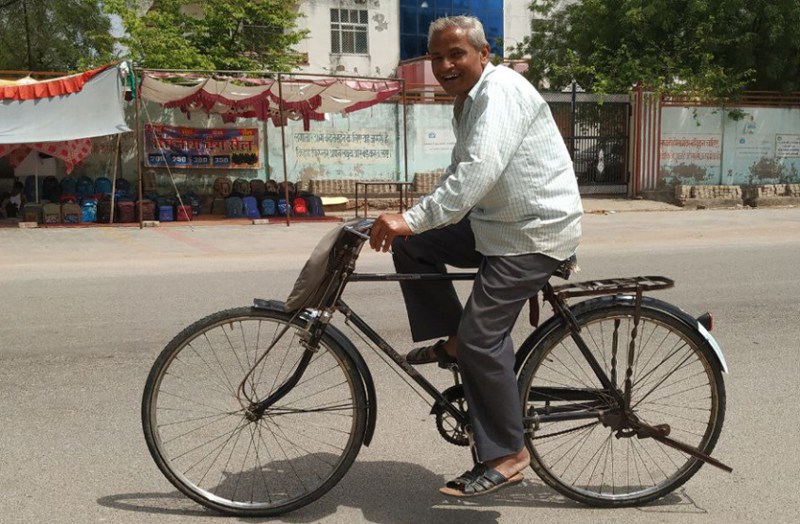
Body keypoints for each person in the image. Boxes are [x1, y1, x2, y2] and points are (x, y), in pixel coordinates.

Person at [368, 15, 583, 498]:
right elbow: (459, 173)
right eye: (436, 56)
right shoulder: (468, 101)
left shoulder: (499, 91)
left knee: (483, 339)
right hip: (497, 225)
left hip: (533, 232)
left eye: (456, 54)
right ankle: (455, 339)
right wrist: (413, 219)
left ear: (483, 55)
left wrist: (414, 216)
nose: (445, 65)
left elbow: (479, 171)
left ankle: (509, 454)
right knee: (414, 242)